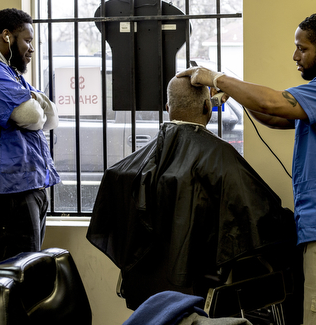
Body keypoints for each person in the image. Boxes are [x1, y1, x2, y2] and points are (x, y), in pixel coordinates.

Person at [178, 11, 316, 325]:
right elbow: (274, 116)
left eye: (302, 48)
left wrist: (217, 78)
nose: (295, 56)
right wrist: (236, 94)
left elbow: (273, 103)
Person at [87, 76, 300, 316]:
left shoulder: (125, 170)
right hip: (202, 290)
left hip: (146, 295)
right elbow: (263, 219)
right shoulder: (220, 157)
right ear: (208, 107)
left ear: (168, 109)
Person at [0, 8, 59, 264]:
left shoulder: (9, 73)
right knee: (19, 285)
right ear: (6, 36)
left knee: (30, 281)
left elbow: (52, 118)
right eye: (27, 40)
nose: (31, 48)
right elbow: (31, 117)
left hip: (24, 186)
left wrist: (34, 99)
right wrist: (33, 103)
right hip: (4, 194)